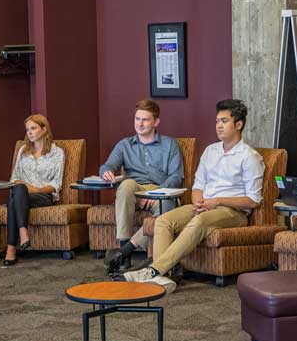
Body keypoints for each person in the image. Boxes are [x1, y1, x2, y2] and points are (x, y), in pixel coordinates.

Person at [125, 99, 264, 292]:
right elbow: (198, 185)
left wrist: (216, 201)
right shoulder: (210, 151)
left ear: (238, 124)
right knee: (163, 221)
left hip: (233, 212)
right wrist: (198, 202)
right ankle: (164, 277)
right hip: (205, 205)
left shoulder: (250, 157)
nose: (219, 126)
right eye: (217, 121)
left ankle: (154, 271)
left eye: (224, 121)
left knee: (198, 223)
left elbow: (253, 201)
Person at [100, 99, 185, 273]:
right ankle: (124, 247)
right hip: (134, 190)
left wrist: (155, 194)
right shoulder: (125, 145)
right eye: (137, 119)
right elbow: (107, 165)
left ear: (156, 122)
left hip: (160, 190)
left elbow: (176, 177)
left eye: (145, 119)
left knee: (168, 205)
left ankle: (124, 252)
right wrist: (106, 172)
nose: (140, 123)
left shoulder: (170, 144)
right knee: (126, 185)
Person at [2, 114, 65, 265]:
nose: (29, 132)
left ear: (44, 129)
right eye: (27, 129)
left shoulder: (57, 153)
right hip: (21, 194)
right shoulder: (23, 150)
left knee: (13, 198)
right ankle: (23, 233)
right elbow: (14, 177)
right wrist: (24, 188)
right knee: (18, 190)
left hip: (44, 196)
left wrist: (35, 189)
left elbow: (57, 184)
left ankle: (11, 249)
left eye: (33, 128)